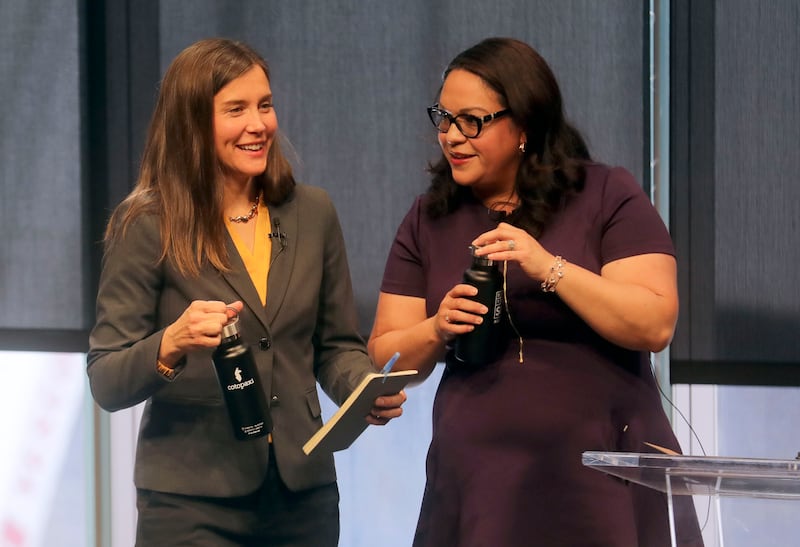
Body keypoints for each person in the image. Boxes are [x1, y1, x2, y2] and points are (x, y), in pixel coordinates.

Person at [368, 37, 703, 546]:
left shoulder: (604, 193)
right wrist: (436, 329)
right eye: (444, 118)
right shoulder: (429, 216)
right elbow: (385, 355)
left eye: (472, 121)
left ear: (524, 126)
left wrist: (549, 267)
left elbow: (655, 323)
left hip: (602, 467)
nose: (452, 136)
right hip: (478, 477)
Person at [87, 38, 406, 546]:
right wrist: (172, 341)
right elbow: (106, 379)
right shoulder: (147, 224)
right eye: (236, 109)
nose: (258, 124)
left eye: (265, 105)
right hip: (191, 503)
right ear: (192, 122)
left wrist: (361, 389)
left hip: (303, 496)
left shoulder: (313, 212)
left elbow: (336, 346)